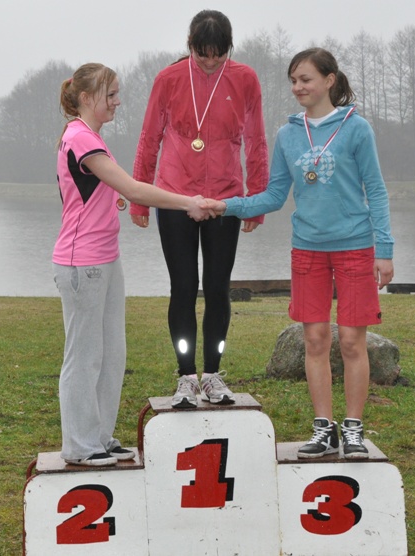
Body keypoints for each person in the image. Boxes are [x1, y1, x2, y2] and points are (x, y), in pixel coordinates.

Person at [211, 48, 395, 460]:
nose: (298, 87)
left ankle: (353, 429)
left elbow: (376, 190)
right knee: (314, 340)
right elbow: (275, 195)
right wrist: (226, 205)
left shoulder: (356, 128)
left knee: (352, 342)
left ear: (329, 80)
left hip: (355, 247)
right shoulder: (288, 135)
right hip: (307, 250)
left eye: (306, 79)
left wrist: (384, 250)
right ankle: (323, 428)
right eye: (293, 81)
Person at [54, 63, 214, 467]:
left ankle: (99, 438)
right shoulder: (79, 137)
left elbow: (105, 192)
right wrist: (189, 201)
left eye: (117, 93)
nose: (117, 101)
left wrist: (114, 201)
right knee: (84, 356)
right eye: (110, 94)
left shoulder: (92, 138)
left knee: (112, 355)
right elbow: (132, 187)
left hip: (106, 259)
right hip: (82, 264)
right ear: (86, 98)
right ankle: (79, 446)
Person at [131, 9, 269, 409]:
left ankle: (213, 375)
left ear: (229, 48)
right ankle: (186, 376)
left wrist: (256, 202)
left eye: (218, 54)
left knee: (218, 287)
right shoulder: (169, 79)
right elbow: (149, 138)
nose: (210, 62)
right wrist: (140, 198)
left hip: (225, 199)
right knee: (183, 286)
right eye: (202, 54)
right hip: (174, 196)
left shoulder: (245, 79)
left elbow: (256, 141)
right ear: (189, 45)